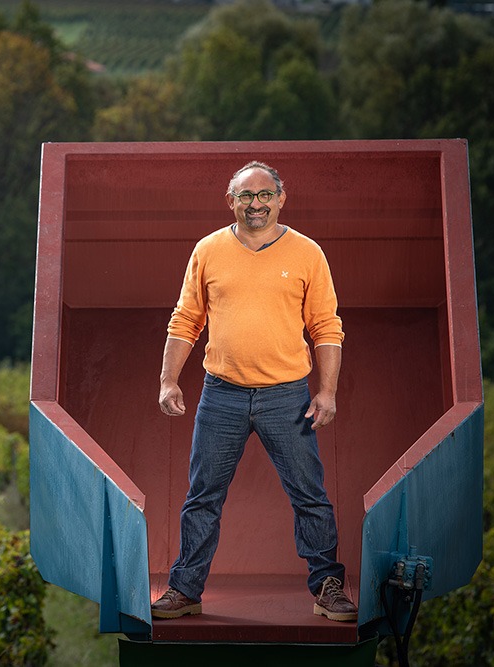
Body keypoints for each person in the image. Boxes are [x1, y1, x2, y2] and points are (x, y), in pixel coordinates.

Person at [151, 161, 358, 623]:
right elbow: (186, 320)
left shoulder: (307, 253)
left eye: (265, 195)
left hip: (287, 396)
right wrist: (169, 379)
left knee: (309, 495)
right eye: (245, 196)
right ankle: (185, 590)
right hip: (220, 394)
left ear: (282, 199)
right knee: (203, 496)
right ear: (231, 202)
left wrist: (327, 391)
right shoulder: (208, 250)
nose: (256, 204)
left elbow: (326, 326)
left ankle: (328, 587)